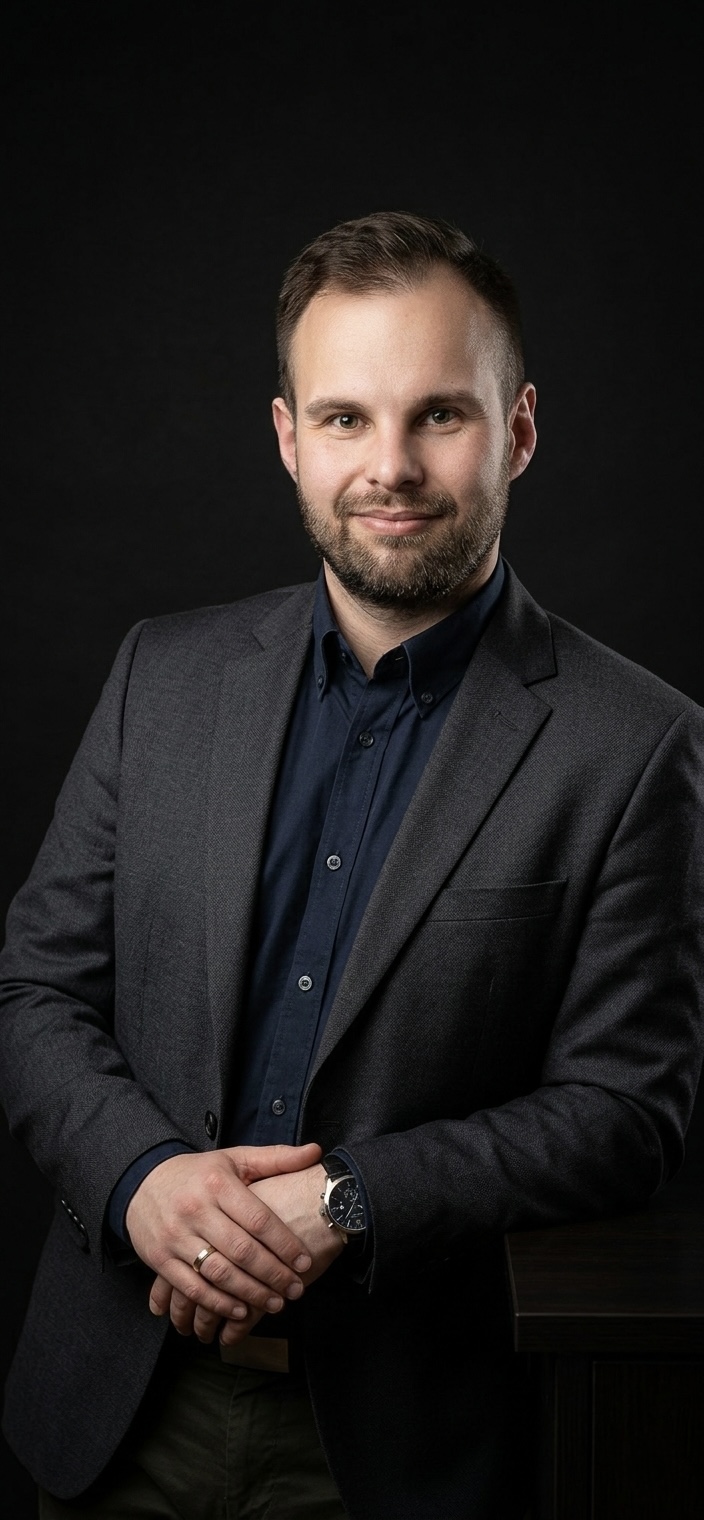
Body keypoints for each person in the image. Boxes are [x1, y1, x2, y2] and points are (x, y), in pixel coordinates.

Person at [1, 210, 703, 1520]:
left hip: (400, 1444)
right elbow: (36, 993)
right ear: (288, 437)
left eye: (440, 414)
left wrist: (349, 1201)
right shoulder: (160, 678)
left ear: (520, 430)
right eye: (344, 419)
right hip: (117, 1410)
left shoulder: (637, 745)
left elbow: (625, 1110)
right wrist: (140, 1181)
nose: (391, 466)